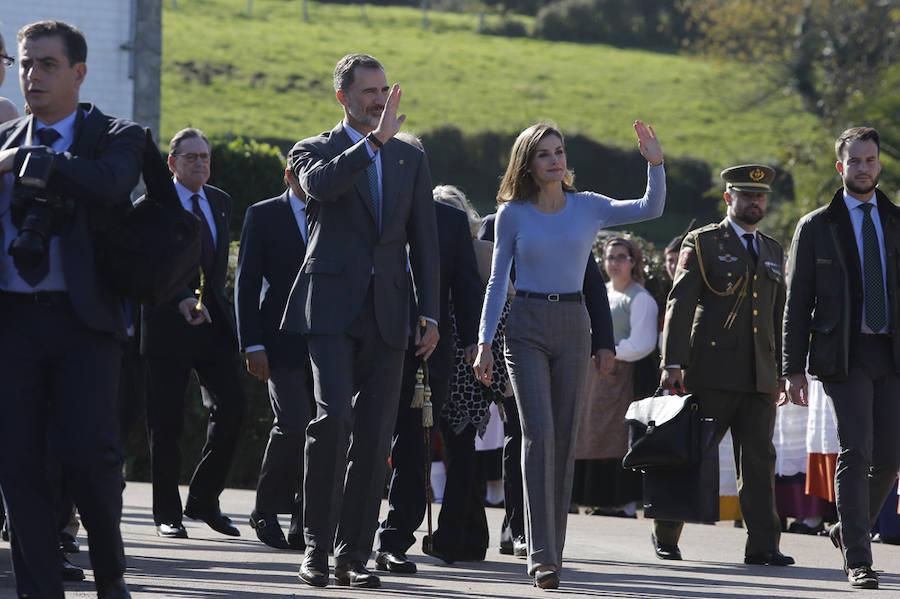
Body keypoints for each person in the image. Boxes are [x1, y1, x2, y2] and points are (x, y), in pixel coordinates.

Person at [474, 120, 665, 589]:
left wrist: (655, 163)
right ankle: (539, 554)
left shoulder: (589, 207)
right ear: (527, 164)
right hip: (525, 327)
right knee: (537, 435)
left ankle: (553, 550)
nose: (555, 160)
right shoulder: (512, 214)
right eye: (544, 154)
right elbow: (498, 281)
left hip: (573, 325)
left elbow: (650, 208)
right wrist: (483, 343)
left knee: (563, 439)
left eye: (559, 151)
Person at [282, 53, 440, 589]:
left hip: (391, 313)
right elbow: (321, 188)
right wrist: (371, 143)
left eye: (383, 90)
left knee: (375, 437)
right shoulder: (313, 149)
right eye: (368, 92)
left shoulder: (409, 158)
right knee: (334, 422)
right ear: (343, 98)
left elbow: (425, 240)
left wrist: (431, 312)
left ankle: (353, 554)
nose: (379, 99)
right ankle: (315, 548)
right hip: (328, 310)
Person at [0, 19, 145, 599]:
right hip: (13, 324)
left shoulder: (116, 135)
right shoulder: (5, 145)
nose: (33, 74)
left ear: (79, 73)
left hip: (85, 325)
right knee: (19, 463)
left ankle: (109, 572)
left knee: (88, 455)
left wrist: (37, 163)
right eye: (25, 63)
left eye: (47, 64)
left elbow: (113, 184)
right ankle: (41, 591)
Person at [657, 164, 792, 567]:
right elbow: (679, 305)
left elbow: (777, 314)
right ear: (728, 198)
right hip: (710, 371)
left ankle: (763, 544)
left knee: (759, 460)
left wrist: (783, 369)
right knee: (692, 455)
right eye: (747, 195)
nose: (755, 202)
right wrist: (672, 362)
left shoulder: (771, 249)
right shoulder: (703, 242)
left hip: (759, 375)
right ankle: (666, 531)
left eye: (761, 196)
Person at [783, 126, 900, 590]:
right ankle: (859, 558)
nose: (864, 168)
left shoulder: (896, 220)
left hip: (892, 353)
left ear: (879, 165)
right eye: (855, 161)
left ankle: (844, 528)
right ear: (841, 167)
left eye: (870, 160)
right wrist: (792, 368)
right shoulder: (816, 226)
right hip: (844, 354)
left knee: (890, 459)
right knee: (857, 448)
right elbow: (797, 304)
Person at [477, 213, 615, 557]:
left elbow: (592, 283)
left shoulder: (570, 220)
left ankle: (544, 533)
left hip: (565, 335)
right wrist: (482, 342)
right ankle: (519, 528)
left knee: (555, 432)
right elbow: (482, 283)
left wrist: (604, 342)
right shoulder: (497, 224)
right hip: (512, 339)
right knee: (524, 432)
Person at [375, 169, 484, 573]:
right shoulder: (368, 208)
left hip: (426, 354)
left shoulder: (449, 220)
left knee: (412, 451)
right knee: (363, 444)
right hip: (369, 350)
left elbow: (467, 286)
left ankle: (395, 541)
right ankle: (344, 532)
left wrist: (475, 340)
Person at [141, 127, 247, 540]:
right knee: (166, 423)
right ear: (172, 163)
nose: (201, 163)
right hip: (167, 324)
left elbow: (216, 269)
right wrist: (183, 297)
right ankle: (167, 514)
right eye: (191, 157)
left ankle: (203, 498)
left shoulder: (220, 202)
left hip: (213, 325)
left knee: (233, 407)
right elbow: (151, 266)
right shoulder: (151, 206)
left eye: (205, 156)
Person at [235, 148, 313, 550]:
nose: (309, 180)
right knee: (294, 423)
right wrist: (252, 344)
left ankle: (305, 520)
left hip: (326, 343)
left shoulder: (334, 213)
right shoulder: (262, 215)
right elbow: (245, 285)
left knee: (323, 431)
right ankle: (265, 510)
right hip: (278, 343)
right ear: (288, 175)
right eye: (303, 173)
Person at [573, 237, 657, 519]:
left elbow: (642, 343)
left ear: (633, 261)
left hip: (622, 376)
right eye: (610, 258)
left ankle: (623, 502)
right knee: (592, 436)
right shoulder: (603, 293)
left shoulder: (640, 298)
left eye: (621, 257)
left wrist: (609, 352)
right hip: (594, 376)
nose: (614, 263)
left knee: (618, 438)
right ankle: (598, 500)